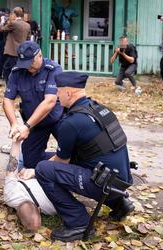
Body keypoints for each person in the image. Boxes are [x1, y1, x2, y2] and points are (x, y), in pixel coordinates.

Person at [32, 72, 134, 242]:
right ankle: (119, 204)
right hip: (120, 180)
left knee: (43, 169)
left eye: (58, 91)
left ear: (68, 93)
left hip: (104, 184)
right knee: (46, 159)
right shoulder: (99, 109)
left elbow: (61, 161)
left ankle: (78, 223)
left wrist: (33, 171)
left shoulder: (71, 122)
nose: (57, 96)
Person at [3, 41, 63, 169]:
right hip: (36, 122)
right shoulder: (17, 72)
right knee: (30, 161)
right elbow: (7, 100)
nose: (28, 66)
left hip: (57, 119)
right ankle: (57, 161)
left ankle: (65, 158)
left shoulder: (53, 69)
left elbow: (50, 101)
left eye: (31, 62)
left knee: (75, 149)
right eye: (24, 63)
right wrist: (14, 124)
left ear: (40, 55)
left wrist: (26, 126)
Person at [3, 141, 56, 231]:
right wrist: (16, 142)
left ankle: (21, 153)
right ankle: (20, 150)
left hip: (32, 171)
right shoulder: (9, 197)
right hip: (43, 169)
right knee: (19, 159)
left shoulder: (52, 208)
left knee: (23, 159)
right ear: (39, 210)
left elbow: (12, 165)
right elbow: (12, 164)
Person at [0, 7, 30, 82]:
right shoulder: (27, 25)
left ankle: (11, 86)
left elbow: (1, 29)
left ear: (14, 14)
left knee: (8, 69)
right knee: (16, 69)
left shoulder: (14, 23)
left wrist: (2, 21)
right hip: (22, 51)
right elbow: (28, 38)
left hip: (12, 52)